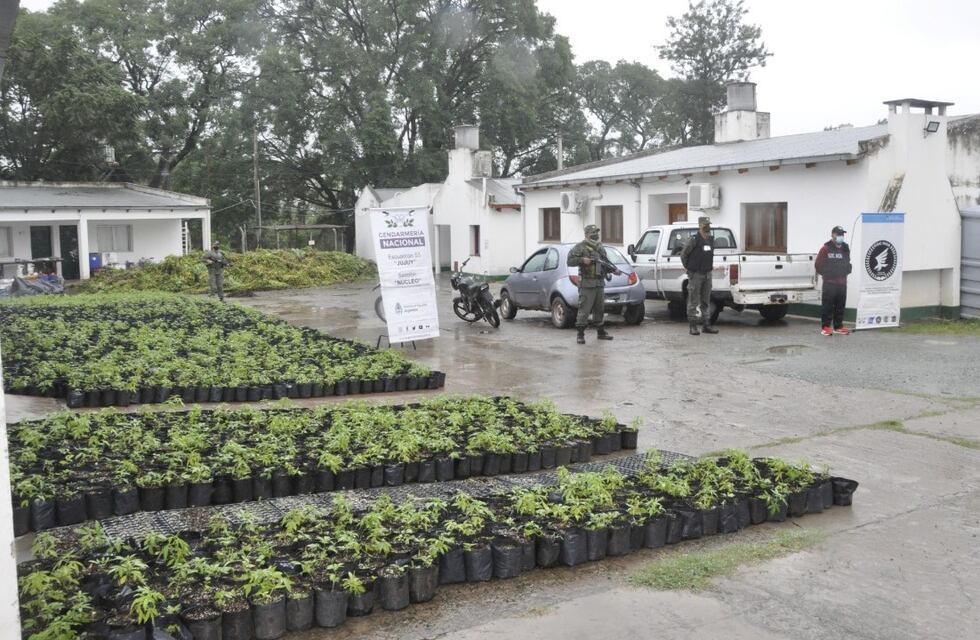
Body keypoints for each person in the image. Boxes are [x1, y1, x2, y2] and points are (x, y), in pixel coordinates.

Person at [567, 224, 621, 344]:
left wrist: (614, 270)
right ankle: (580, 334)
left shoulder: (600, 247)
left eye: (597, 232)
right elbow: (569, 261)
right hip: (586, 283)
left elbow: (605, 263)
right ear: (586, 234)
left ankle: (601, 332)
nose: (596, 235)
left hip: (599, 283)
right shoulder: (580, 247)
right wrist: (582, 260)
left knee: (600, 309)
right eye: (593, 232)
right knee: (584, 310)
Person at [680, 216, 719, 335]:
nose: (708, 227)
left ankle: (706, 325)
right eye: (705, 224)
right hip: (696, 274)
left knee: (706, 301)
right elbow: (683, 255)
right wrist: (689, 268)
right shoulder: (694, 240)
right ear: (700, 226)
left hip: (707, 274)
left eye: (709, 224)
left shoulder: (711, 240)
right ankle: (693, 326)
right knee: (693, 301)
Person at [815, 225, 852, 336]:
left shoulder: (845, 248)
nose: (841, 236)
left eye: (842, 234)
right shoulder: (825, 248)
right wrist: (828, 274)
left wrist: (847, 270)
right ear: (833, 235)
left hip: (842, 283)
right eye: (839, 234)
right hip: (829, 283)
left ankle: (838, 326)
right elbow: (818, 265)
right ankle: (826, 327)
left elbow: (847, 262)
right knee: (827, 306)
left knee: (840, 305)